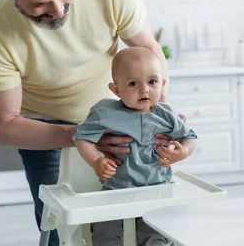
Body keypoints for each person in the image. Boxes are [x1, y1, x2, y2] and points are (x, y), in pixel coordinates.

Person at [0, 0, 176, 246]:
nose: (57, 9)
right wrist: (86, 135)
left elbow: (149, 49)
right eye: (39, 5)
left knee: (140, 217)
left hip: (118, 114)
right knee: (60, 226)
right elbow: (2, 127)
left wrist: (157, 112)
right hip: (44, 125)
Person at [75, 46, 197, 246]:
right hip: (116, 190)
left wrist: (183, 152)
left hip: (158, 190)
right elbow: (82, 138)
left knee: (157, 235)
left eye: (152, 82)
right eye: (133, 83)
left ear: (162, 84)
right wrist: (96, 160)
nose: (144, 89)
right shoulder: (105, 112)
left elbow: (190, 137)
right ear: (116, 90)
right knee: (104, 234)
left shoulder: (166, 114)